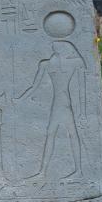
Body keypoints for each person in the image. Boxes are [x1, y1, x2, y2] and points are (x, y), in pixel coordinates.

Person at [18, 40, 86, 178]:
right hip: (61, 104)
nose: (54, 48)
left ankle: (77, 170)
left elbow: (82, 88)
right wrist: (20, 99)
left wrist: (83, 112)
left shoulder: (64, 63)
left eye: (57, 46)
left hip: (64, 105)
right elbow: (34, 86)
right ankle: (43, 171)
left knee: (68, 134)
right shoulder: (49, 64)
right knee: (56, 134)